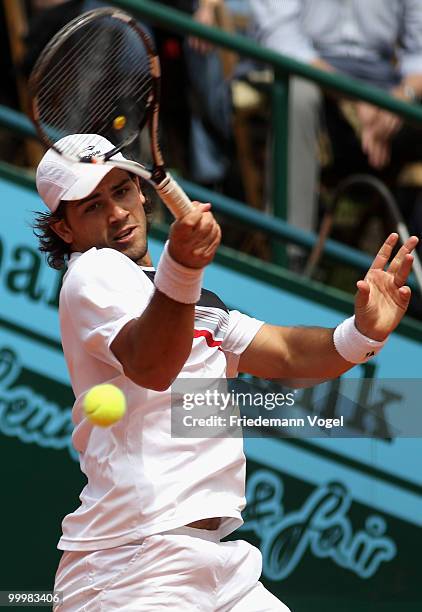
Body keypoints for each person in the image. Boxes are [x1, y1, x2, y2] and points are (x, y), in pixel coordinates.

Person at [33, 133, 417, 611]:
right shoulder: (93, 273)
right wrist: (182, 267)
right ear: (64, 229)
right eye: (91, 206)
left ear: (141, 193)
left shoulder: (191, 303)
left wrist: (362, 332)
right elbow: (153, 366)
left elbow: (287, 356)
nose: (116, 213)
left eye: (121, 191)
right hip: (131, 570)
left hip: (215, 564)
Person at [249, 0, 422, 262]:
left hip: (385, 89)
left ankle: (413, 275)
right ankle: (290, 259)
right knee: (298, 95)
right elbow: (281, 37)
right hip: (310, 75)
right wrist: (354, 97)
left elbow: (418, 53)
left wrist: (398, 100)